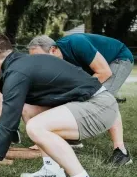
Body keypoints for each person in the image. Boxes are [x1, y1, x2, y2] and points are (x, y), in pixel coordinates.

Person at [0, 34, 117, 177]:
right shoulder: (20, 64)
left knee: (36, 127)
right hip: (90, 103)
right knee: (28, 109)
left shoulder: (17, 72)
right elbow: (13, 115)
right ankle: (51, 171)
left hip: (99, 106)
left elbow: (8, 124)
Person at [28, 34, 133, 166]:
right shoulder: (56, 62)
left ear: (53, 50)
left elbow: (104, 72)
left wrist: (76, 95)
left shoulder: (76, 44)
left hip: (118, 59)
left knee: (105, 99)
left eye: (40, 58)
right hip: (95, 67)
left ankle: (121, 152)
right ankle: (73, 140)